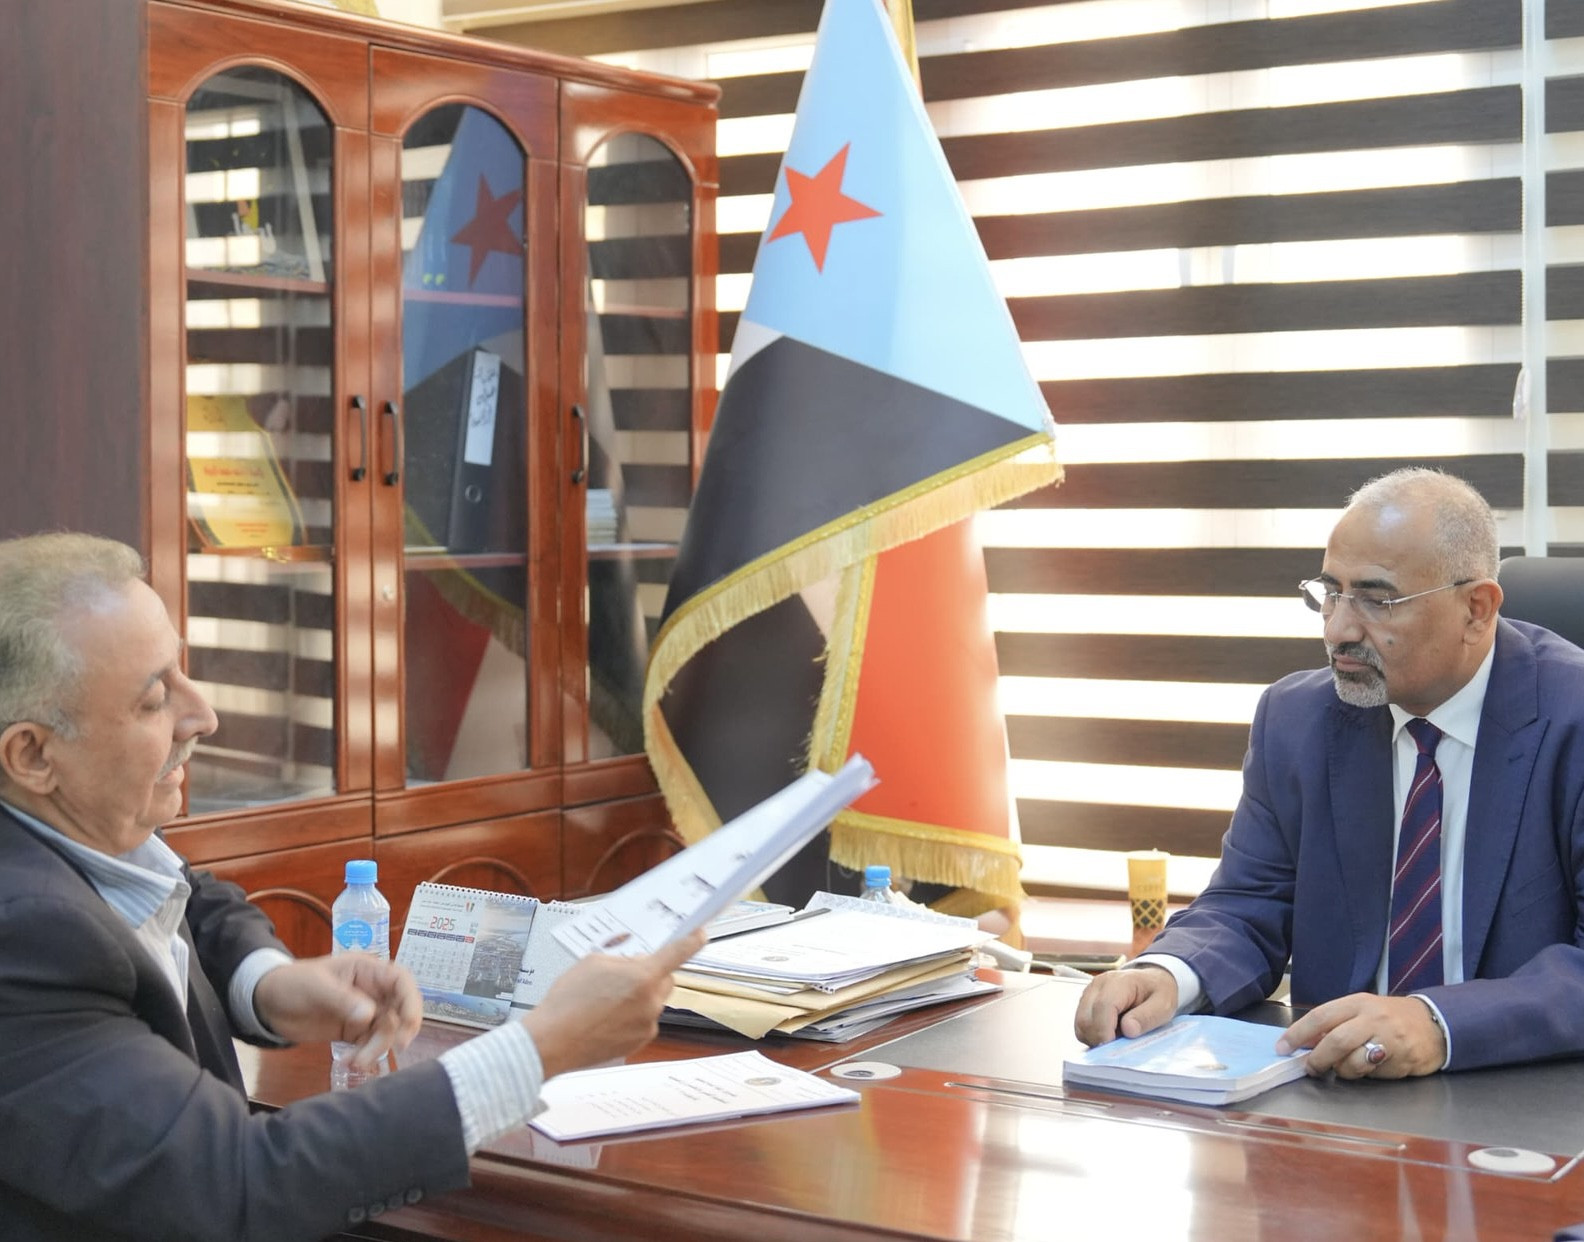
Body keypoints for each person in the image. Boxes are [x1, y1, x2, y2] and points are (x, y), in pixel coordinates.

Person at [0, 532, 705, 1242]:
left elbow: (185, 895)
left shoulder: (65, 836)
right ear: (31, 754)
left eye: (183, 672)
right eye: (155, 700)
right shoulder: (24, 933)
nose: (203, 716)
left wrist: (267, 984)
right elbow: (239, 1183)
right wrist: (541, 1048)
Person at [1075, 468, 1584, 1080]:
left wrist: (1439, 1023)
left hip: (1524, 1096)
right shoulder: (1297, 720)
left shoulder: (1571, 720)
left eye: (1376, 599)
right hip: (1334, 1089)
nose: (1339, 628)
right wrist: (1168, 973)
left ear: (1476, 609)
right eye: (1330, 592)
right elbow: (1249, 903)